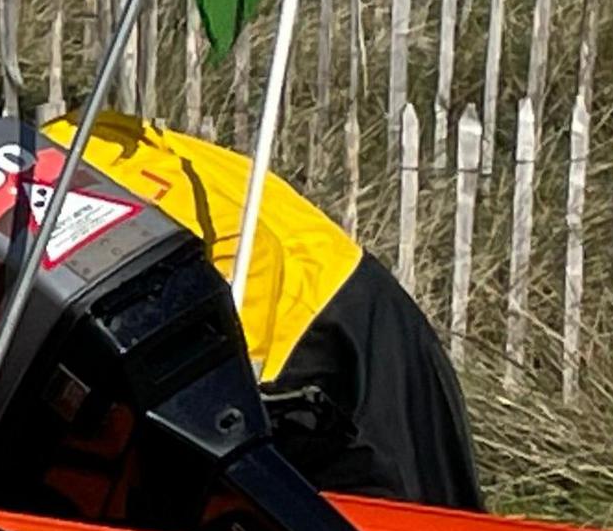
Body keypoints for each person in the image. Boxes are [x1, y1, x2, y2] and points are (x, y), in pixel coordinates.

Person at [48, 110, 485, 510]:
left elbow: (247, 249)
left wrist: (223, 387)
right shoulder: (70, 136)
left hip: (322, 331)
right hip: (327, 295)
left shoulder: (65, 173)